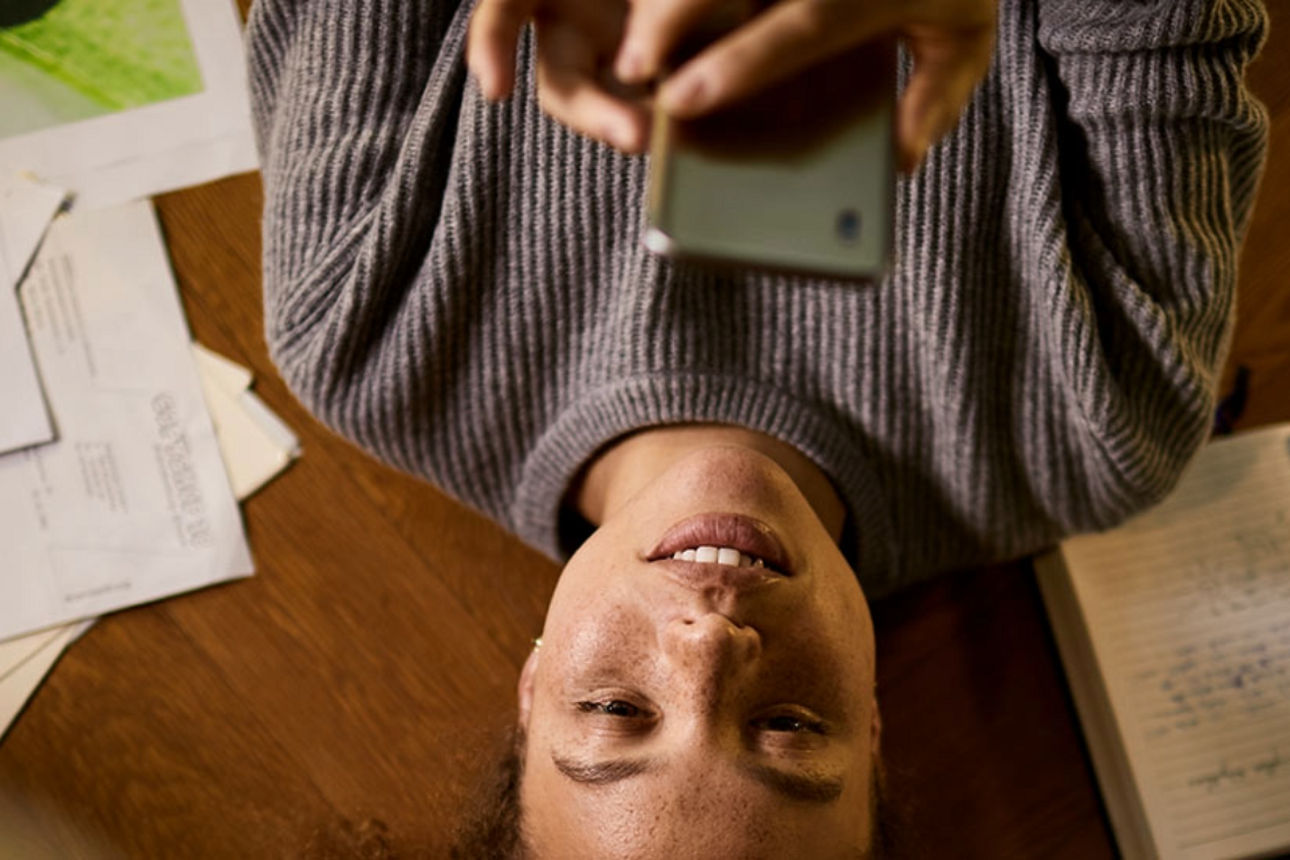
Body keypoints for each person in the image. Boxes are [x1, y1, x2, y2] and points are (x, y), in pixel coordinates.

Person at [245, 0, 1268, 854]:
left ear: (533, 680)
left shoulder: (363, 326)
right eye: (787, 726)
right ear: (871, 726)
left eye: (613, 710)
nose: (708, 640)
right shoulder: (1095, 420)